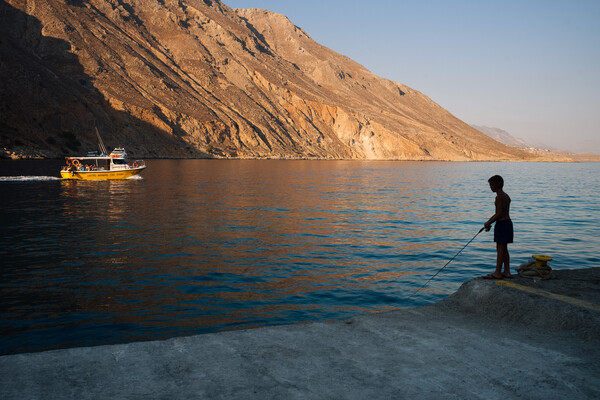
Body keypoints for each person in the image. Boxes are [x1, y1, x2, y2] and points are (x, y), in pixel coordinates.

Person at [483, 175, 513, 279]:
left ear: (495, 185)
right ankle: (507, 271)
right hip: (508, 223)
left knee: (500, 248)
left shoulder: (498, 197)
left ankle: (497, 273)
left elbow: (499, 213)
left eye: (491, 185)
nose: (490, 187)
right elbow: (502, 212)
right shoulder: (506, 196)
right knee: (504, 248)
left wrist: (488, 222)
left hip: (502, 224)